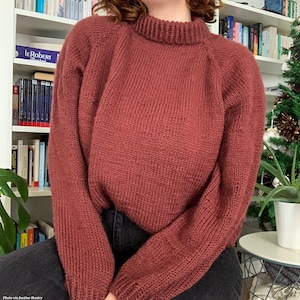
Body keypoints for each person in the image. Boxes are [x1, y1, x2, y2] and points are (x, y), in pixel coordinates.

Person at [0, 0, 266, 299]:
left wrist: (132, 291)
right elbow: (66, 167)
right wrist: (90, 280)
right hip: (93, 240)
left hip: (190, 252)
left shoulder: (234, 66)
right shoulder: (90, 40)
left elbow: (227, 199)